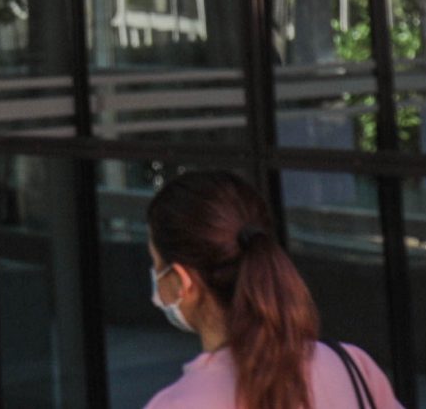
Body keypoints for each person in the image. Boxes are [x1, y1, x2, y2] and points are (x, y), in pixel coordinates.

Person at [144, 169, 403, 409]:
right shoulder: (351, 365)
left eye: (156, 264)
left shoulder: (175, 404)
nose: (155, 277)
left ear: (182, 280)